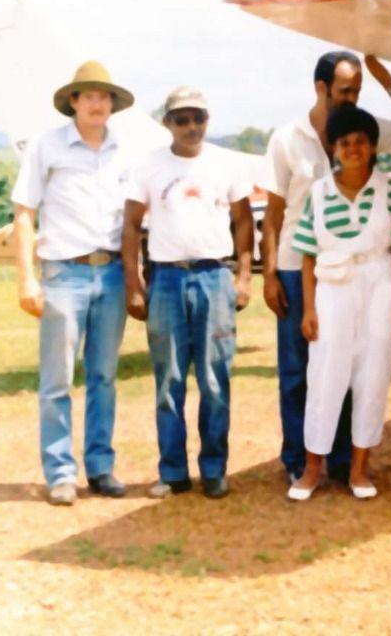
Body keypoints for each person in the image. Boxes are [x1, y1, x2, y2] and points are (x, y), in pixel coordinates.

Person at [260, 51, 391, 486]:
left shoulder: (363, 129)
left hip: (359, 277)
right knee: (300, 371)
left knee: (354, 367)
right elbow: (275, 214)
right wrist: (267, 275)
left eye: (358, 89)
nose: (353, 97)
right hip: (295, 266)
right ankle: (299, 461)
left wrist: (389, 83)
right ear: (321, 88)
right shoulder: (286, 138)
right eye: (345, 91)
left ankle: (343, 462)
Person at [11, 61, 137, 505]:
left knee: (104, 376)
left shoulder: (125, 150)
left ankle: (101, 468)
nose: (98, 103)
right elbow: (24, 213)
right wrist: (28, 278)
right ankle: (61, 472)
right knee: (58, 379)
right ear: (74, 101)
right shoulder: (47, 146)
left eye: (105, 96)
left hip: (112, 272)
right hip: (64, 272)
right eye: (89, 95)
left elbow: (136, 219)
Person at [121, 87, 254, 499]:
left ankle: (214, 469)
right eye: (181, 119)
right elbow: (129, 227)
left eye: (197, 118)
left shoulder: (226, 163)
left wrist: (244, 277)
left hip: (214, 276)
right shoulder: (148, 166)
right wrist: (134, 284)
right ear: (168, 124)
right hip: (166, 280)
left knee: (215, 380)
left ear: (207, 120)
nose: (191, 127)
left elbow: (244, 222)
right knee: (169, 381)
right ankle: (173, 471)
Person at [287, 106, 391, 500]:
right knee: (325, 376)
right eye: (345, 143)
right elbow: (308, 255)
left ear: (373, 145)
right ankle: (312, 469)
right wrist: (309, 309)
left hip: (379, 284)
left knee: (373, 374)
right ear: (334, 149)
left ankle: (360, 469)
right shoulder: (319, 193)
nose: (354, 149)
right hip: (333, 287)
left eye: (361, 141)